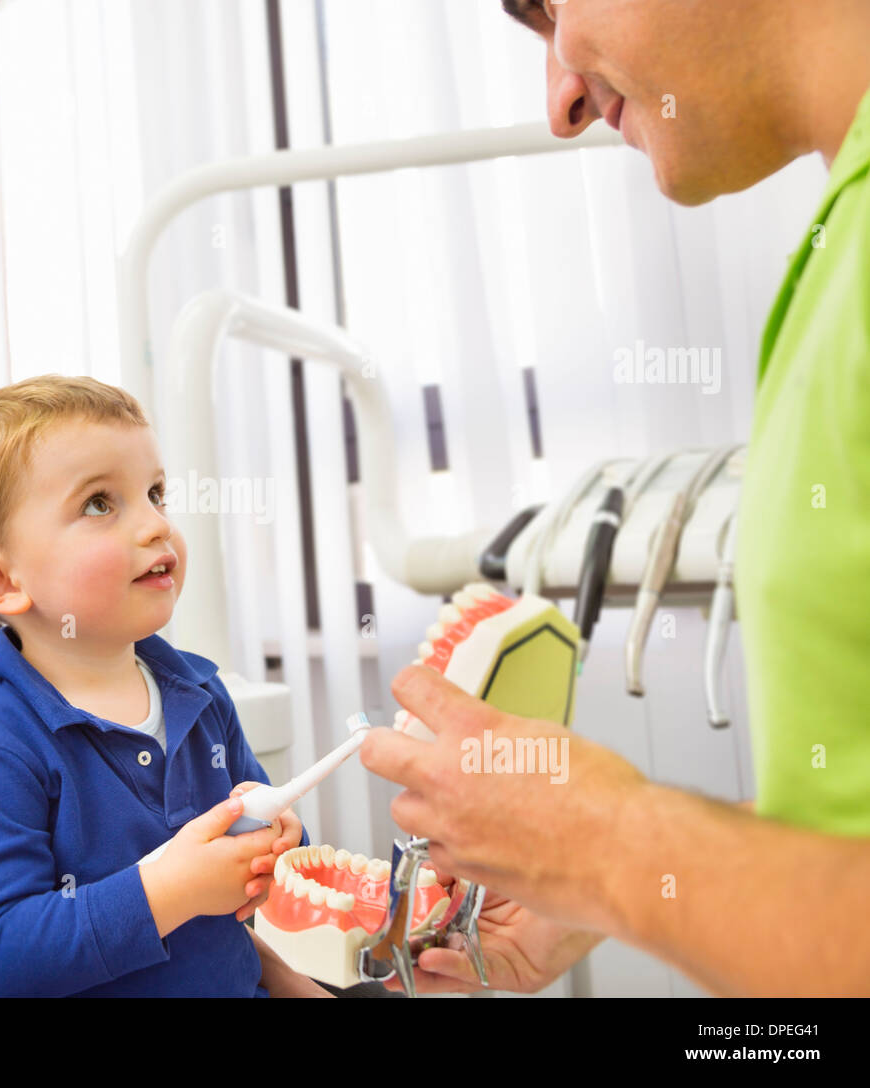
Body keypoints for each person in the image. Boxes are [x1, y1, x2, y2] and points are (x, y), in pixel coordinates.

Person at [358, 0, 870, 997]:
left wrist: (610, 848)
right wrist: (627, 878)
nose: (559, 98)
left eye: (549, 7)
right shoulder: (836, 247)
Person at [0, 375, 328, 996]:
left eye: (156, 493)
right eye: (100, 504)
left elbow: (244, 895)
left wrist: (281, 848)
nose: (155, 526)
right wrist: (170, 889)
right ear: (3, 583)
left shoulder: (201, 694)